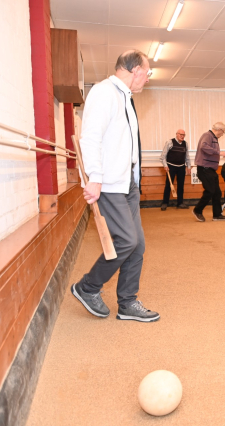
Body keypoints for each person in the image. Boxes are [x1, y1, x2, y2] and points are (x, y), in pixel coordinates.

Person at [72, 49, 159, 322]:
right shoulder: (104, 92)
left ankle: (127, 303)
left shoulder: (125, 97)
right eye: (147, 73)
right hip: (109, 183)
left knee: (138, 245)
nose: (147, 78)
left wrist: (135, 180)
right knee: (126, 240)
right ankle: (88, 287)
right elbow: (90, 137)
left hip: (127, 183)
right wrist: (95, 177)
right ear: (136, 71)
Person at [192, 122, 225, 222]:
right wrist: (218, 152)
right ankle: (197, 210)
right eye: (223, 132)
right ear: (220, 130)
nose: (222, 134)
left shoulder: (213, 138)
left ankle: (217, 215)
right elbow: (203, 146)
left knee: (217, 192)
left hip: (210, 169)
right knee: (210, 191)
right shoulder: (207, 135)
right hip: (204, 169)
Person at [159, 129, 190, 210]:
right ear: (177, 134)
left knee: (181, 185)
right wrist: (165, 165)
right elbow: (163, 156)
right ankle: (165, 203)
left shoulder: (185, 144)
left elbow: (187, 156)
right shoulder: (170, 142)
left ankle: (180, 203)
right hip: (171, 167)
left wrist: (189, 166)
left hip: (181, 167)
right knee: (168, 185)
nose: (182, 136)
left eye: (183, 135)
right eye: (181, 134)